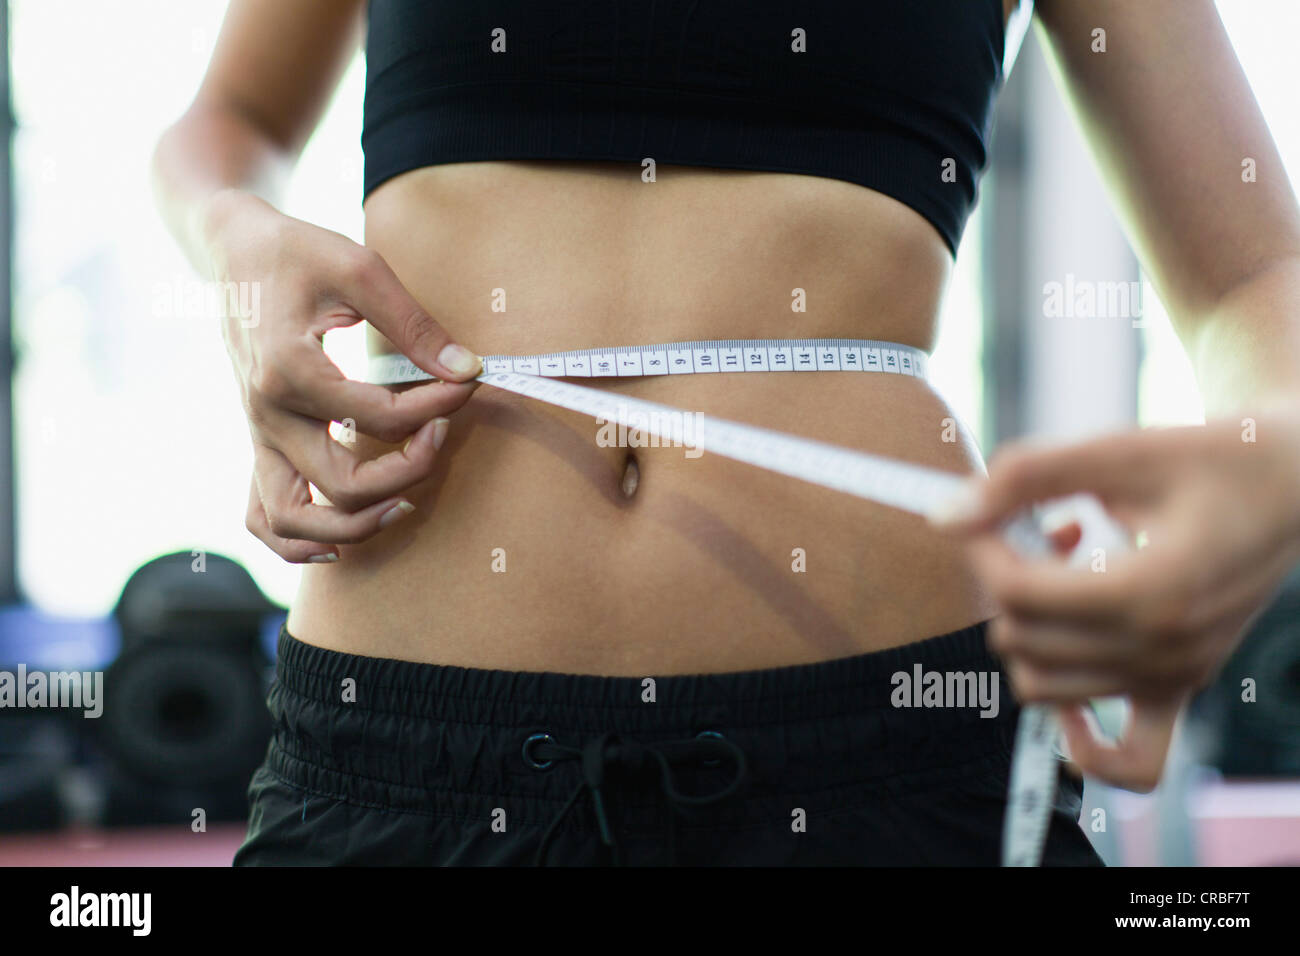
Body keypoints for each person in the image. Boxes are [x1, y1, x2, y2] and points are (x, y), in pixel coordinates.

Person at [152, 0, 1300, 865]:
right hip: (405, 751)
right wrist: (234, 240)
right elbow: (229, 122)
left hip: (890, 750)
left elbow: (1257, 275)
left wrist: (1269, 466)